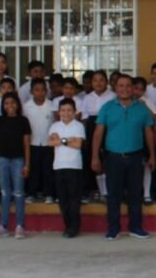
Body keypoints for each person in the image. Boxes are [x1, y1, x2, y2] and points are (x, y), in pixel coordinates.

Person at [91, 75, 156, 241]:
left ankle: (135, 227)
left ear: (133, 88)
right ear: (115, 88)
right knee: (113, 194)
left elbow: (149, 133)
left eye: (128, 86)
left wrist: (152, 155)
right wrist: (94, 157)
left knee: (135, 194)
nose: (125, 89)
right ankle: (113, 228)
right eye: (121, 86)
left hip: (135, 156)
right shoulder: (107, 107)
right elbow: (98, 133)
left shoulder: (141, 108)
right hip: (113, 157)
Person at [0, 93, 32, 240]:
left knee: (19, 193)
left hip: (18, 160)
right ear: (3, 106)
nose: (10, 106)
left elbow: (26, 144)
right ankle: (3, 226)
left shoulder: (23, 121)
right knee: (5, 193)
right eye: (6, 103)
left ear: (18, 104)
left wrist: (27, 163)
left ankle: (19, 226)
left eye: (13, 103)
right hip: (2, 160)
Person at [48, 99, 86, 238]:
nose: (66, 113)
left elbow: (78, 144)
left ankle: (74, 227)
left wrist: (61, 140)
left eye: (69, 110)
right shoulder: (55, 126)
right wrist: (68, 140)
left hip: (74, 166)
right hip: (58, 166)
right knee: (63, 199)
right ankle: (67, 226)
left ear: (75, 112)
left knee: (74, 199)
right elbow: (50, 142)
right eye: (63, 110)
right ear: (59, 112)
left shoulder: (78, 126)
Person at [82, 71, 114, 203]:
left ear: (106, 82)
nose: (98, 83)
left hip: (109, 128)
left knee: (109, 160)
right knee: (96, 161)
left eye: (101, 80)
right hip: (92, 128)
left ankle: (111, 190)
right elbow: (84, 119)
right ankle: (102, 192)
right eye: (95, 80)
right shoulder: (87, 98)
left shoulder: (113, 96)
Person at [24, 80, 56, 203]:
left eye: (43, 90)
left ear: (46, 91)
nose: (40, 92)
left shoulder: (51, 105)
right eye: (37, 90)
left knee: (48, 169)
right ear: (31, 92)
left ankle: (49, 193)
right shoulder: (26, 106)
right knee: (33, 169)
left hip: (48, 143)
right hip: (32, 143)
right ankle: (32, 193)